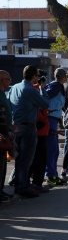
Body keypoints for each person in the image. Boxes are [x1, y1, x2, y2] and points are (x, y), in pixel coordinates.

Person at [8, 65, 49, 198]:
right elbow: (45, 104)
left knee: (19, 158)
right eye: (37, 75)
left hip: (17, 125)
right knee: (26, 159)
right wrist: (42, 89)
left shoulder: (15, 87)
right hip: (29, 126)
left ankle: (19, 183)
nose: (38, 78)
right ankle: (23, 186)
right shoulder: (31, 89)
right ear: (33, 77)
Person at [45, 67, 67, 186]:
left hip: (53, 119)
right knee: (52, 150)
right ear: (63, 77)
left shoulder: (54, 85)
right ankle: (51, 175)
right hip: (50, 119)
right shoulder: (56, 86)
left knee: (54, 150)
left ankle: (52, 174)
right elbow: (45, 98)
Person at [0, 70, 13, 204]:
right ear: (2, 80)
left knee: (3, 163)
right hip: (2, 133)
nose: (10, 81)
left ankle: (1, 190)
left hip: (6, 131)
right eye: (8, 79)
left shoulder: (3, 93)